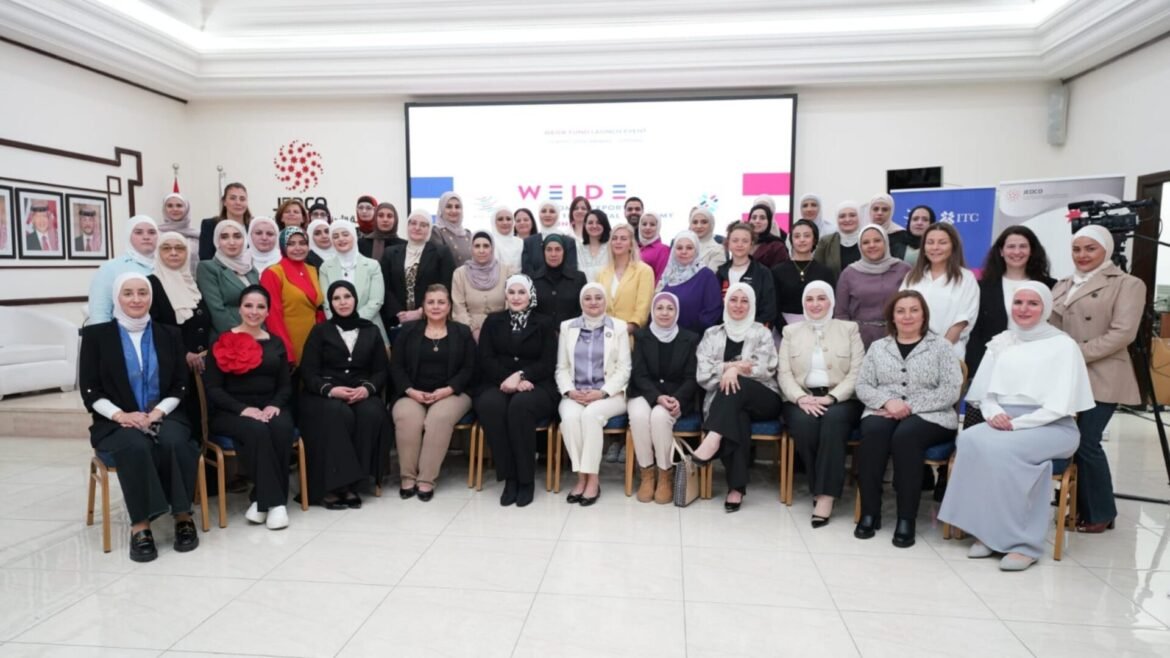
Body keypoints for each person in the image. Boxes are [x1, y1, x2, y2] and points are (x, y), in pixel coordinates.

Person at [940, 283, 1095, 571]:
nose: (1024, 309)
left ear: (1046, 308)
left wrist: (1017, 424)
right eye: (1018, 302)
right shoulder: (1002, 342)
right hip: (1004, 422)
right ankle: (988, 532)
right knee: (971, 439)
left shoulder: (1063, 345)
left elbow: (1059, 406)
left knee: (1002, 450)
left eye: (1033, 303)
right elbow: (985, 394)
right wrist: (995, 413)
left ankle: (1024, 544)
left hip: (1052, 426)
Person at [80, 273, 199, 561]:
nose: (136, 299)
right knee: (135, 445)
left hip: (166, 413)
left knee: (174, 441)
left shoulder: (169, 334)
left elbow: (180, 385)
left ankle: (182, 516)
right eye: (128, 293)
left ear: (151, 297)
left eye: (142, 293)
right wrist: (120, 415)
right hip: (115, 420)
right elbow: (90, 390)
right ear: (117, 298)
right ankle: (141, 525)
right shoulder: (97, 336)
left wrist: (157, 412)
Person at [1050, 225, 1145, 533]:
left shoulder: (1128, 284)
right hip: (1066, 374)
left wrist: (1075, 354)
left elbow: (1123, 333)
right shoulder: (1063, 283)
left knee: (1087, 441)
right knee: (1069, 441)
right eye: (1077, 249)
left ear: (1107, 250)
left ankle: (1101, 512)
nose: (1082, 255)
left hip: (1102, 372)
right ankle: (1080, 506)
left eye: (1090, 248)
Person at [854, 290, 962, 547]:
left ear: (924, 315)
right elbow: (863, 385)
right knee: (873, 432)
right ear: (892, 316)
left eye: (914, 310)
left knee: (906, 436)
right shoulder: (879, 348)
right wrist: (887, 402)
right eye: (900, 311)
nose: (907, 316)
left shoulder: (942, 347)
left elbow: (950, 391)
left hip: (932, 415)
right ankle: (870, 512)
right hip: (884, 409)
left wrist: (909, 407)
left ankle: (906, 518)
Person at [203, 285, 296, 530]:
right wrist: (243, 409)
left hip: (270, 406)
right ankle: (276, 503)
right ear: (239, 308)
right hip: (231, 411)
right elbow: (213, 388)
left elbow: (285, 385)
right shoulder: (221, 340)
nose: (254, 311)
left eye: (260, 307)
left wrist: (275, 405)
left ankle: (260, 501)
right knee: (257, 430)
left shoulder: (276, 343)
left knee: (281, 427)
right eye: (248, 305)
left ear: (268, 312)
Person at [298, 281, 392, 509]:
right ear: (330, 303)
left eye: (347, 296)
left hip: (360, 391)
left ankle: (354, 484)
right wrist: (331, 390)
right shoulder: (320, 331)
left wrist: (367, 389)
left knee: (372, 413)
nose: (342, 302)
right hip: (324, 394)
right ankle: (333, 487)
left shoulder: (371, 330)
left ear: (355, 299)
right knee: (338, 413)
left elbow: (381, 370)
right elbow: (308, 371)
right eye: (336, 298)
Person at [777, 282, 864, 527]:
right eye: (810, 299)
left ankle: (825, 496)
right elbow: (784, 374)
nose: (815, 304)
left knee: (833, 421)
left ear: (831, 302)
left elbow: (857, 372)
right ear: (803, 303)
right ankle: (820, 486)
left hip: (842, 399)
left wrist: (832, 398)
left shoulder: (849, 329)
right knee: (805, 425)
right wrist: (800, 398)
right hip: (801, 398)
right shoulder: (790, 332)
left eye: (821, 298)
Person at [691, 284, 782, 512]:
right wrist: (732, 367)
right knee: (737, 417)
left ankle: (712, 437)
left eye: (744, 301)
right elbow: (703, 374)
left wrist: (731, 371)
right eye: (733, 300)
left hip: (763, 397)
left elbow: (765, 368)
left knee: (736, 386)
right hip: (727, 404)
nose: (738, 305)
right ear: (726, 303)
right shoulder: (712, 334)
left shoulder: (762, 333)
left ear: (752, 305)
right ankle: (736, 488)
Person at [474, 274, 559, 507]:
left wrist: (521, 375)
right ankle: (509, 477)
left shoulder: (544, 323)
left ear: (530, 295)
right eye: (511, 292)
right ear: (506, 295)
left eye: (522, 292)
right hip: (497, 381)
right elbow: (486, 358)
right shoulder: (493, 321)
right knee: (491, 405)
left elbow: (548, 362)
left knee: (521, 406)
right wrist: (508, 379)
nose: (516, 297)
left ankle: (526, 480)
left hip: (537, 384)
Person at [390, 284, 476, 501]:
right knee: (407, 418)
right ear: (423, 306)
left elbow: (470, 368)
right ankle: (408, 477)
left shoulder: (462, 332)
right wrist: (410, 391)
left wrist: (448, 389)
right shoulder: (408, 331)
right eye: (431, 302)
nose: (436, 307)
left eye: (441, 302)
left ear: (449, 306)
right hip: (412, 392)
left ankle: (426, 480)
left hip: (452, 393)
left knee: (439, 418)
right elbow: (396, 366)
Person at [556, 283, 632, 506]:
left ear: (605, 301)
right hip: (575, 393)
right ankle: (582, 478)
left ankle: (593, 480)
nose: (593, 302)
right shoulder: (567, 327)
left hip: (611, 395)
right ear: (581, 302)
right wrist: (570, 391)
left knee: (590, 416)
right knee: (570, 419)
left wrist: (602, 392)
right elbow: (561, 367)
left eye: (598, 297)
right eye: (587, 298)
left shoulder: (619, 327)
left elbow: (624, 369)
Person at [627, 292, 700, 503]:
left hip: (677, 396)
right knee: (639, 416)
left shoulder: (690, 338)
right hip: (644, 392)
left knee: (660, 417)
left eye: (670, 308)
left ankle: (665, 475)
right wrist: (657, 397)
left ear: (677, 312)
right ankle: (647, 474)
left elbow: (691, 377)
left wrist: (677, 398)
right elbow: (639, 375)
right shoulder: (642, 336)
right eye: (659, 308)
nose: (664, 313)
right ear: (652, 311)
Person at [966, 226, 1054, 378]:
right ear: (1001, 251)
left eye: (1023, 246)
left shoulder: (1050, 286)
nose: (1017, 252)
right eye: (1011, 246)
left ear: (1031, 250)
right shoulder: (982, 287)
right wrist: (975, 373)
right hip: (992, 367)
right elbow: (975, 333)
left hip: (1037, 366)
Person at [899, 222, 979, 359]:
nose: (935, 247)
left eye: (942, 242)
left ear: (953, 246)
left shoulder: (966, 278)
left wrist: (937, 354)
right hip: (910, 353)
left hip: (948, 355)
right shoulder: (912, 276)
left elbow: (961, 322)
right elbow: (900, 312)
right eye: (930, 242)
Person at [835, 225, 912, 348]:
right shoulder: (849, 273)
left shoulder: (904, 269)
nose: (872, 245)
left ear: (886, 242)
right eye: (866, 242)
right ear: (860, 247)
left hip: (897, 336)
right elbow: (841, 313)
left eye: (877, 240)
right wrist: (848, 341)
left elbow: (914, 306)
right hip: (859, 340)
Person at [380, 210, 456, 332]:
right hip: (398, 321)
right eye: (413, 223)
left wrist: (421, 312)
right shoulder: (390, 253)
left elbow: (447, 286)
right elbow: (384, 286)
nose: (417, 228)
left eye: (423, 225)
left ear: (429, 228)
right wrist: (399, 313)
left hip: (431, 318)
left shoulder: (441, 253)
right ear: (407, 225)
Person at [149, 233, 211, 378]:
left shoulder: (193, 283)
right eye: (166, 248)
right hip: (172, 365)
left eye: (180, 248)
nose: (174, 253)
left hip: (201, 366)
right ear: (157, 253)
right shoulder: (151, 284)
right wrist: (184, 353)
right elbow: (153, 328)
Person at [260, 227, 324, 365]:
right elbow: (273, 315)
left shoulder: (312, 270)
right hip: (289, 342)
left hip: (314, 341)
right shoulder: (273, 273)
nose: (298, 248)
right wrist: (286, 351)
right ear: (283, 246)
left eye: (302, 243)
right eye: (291, 244)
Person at [318, 220, 387, 343]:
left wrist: (353, 322)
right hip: (337, 331)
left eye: (345, 234)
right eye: (335, 236)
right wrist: (341, 324)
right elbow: (327, 303)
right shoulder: (325, 267)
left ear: (354, 237)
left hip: (369, 327)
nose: (341, 239)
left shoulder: (372, 265)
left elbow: (376, 301)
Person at [88, 216, 159, 325]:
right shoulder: (111, 268)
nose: (146, 237)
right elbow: (99, 312)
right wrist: (102, 335)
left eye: (152, 232)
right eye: (138, 232)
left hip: (161, 332)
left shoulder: (165, 266)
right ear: (128, 236)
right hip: (120, 332)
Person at [196, 220, 260, 337]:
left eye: (237, 236)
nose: (232, 242)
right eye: (224, 237)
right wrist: (242, 337)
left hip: (258, 333)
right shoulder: (208, 268)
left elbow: (262, 306)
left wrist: (261, 332)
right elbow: (217, 310)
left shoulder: (251, 270)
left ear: (245, 240)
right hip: (229, 337)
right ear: (217, 241)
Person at [772, 219, 835, 328]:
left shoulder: (825, 272)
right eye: (797, 236)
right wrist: (786, 331)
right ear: (791, 240)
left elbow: (831, 305)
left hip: (819, 327)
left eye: (807, 236)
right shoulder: (777, 271)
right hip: (785, 328)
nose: (802, 240)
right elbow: (773, 307)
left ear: (814, 240)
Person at [451, 231, 513, 341]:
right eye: (477, 246)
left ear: (492, 248)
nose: (481, 250)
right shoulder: (460, 273)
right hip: (469, 332)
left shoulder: (506, 271)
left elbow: (511, 303)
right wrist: (473, 330)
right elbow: (458, 308)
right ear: (471, 248)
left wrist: (502, 327)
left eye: (486, 246)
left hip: (502, 329)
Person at [656, 231, 722, 333]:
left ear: (696, 250)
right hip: (665, 336)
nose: (684, 252)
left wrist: (689, 335)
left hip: (694, 337)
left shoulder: (706, 276)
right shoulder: (668, 275)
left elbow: (712, 312)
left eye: (689, 248)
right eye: (679, 248)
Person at [596, 223, 654, 334]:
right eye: (614, 238)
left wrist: (626, 329)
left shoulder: (644, 271)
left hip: (630, 336)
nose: (618, 242)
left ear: (631, 245)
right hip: (604, 335)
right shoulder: (602, 273)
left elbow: (643, 309)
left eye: (623, 239)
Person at [716, 222, 778, 326]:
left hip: (753, 330)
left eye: (745, 241)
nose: (739, 244)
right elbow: (715, 306)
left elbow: (769, 309)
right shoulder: (721, 272)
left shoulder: (763, 272)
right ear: (728, 243)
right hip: (725, 329)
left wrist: (751, 328)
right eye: (735, 240)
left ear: (751, 244)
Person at [531, 234, 587, 327]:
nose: (553, 254)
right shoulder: (533, 279)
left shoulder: (578, 278)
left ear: (564, 252)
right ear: (543, 252)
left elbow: (583, 310)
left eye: (558, 249)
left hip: (571, 332)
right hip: (540, 333)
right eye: (549, 249)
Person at [521, 201, 578, 275]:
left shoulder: (568, 242)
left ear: (557, 215)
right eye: (543, 211)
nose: (547, 214)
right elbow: (527, 271)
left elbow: (571, 270)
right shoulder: (529, 242)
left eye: (552, 211)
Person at [198, 182, 252, 260]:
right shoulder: (210, 225)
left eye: (242, 199)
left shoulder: (254, 227)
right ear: (224, 202)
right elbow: (206, 258)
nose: (238, 202)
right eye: (233, 198)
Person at [813, 202, 863, 278]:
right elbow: (816, 270)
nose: (847, 219)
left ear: (859, 217)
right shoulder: (826, 241)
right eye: (842, 216)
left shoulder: (867, 240)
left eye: (852, 215)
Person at [160, 193, 200, 276]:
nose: (175, 209)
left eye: (179, 206)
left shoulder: (197, 235)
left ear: (187, 208)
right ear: (164, 209)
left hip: (193, 280)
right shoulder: (158, 234)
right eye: (170, 206)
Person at [431, 191, 474, 267]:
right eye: (449, 207)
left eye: (457, 207)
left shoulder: (468, 234)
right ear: (441, 209)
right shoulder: (436, 232)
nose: (453, 211)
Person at [866, 193, 909, 260]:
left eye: (885, 210)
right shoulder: (863, 234)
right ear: (869, 210)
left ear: (891, 212)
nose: (879, 213)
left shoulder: (901, 234)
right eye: (876, 209)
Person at [747, 203, 790, 268]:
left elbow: (781, 271)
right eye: (754, 217)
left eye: (762, 218)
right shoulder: (743, 242)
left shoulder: (777, 246)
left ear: (769, 222)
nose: (757, 221)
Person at [578, 209, 612, 283]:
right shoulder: (578, 249)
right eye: (590, 223)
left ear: (604, 224)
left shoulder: (612, 248)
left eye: (598, 223)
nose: (594, 226)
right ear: (585, 225)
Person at [636, 211, 670, 283]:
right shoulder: (635, 248)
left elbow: (661, 277)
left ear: (658, 227)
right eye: (644, 224)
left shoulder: (663, 250)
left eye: (652, 224)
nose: (648, 227)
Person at [690, 207, 727, 271]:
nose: (699, 226)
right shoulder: (683, 246)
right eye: (695, 222)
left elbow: (710, 275)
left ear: (711, 224)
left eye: (704, 222)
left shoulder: (717, 250)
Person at [491, 206, 524, 272]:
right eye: (500, 219)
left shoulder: (520, 242)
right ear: (494, 222)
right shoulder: (490, 242)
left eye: (508, 219)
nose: (505, 222)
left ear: (513, 222)